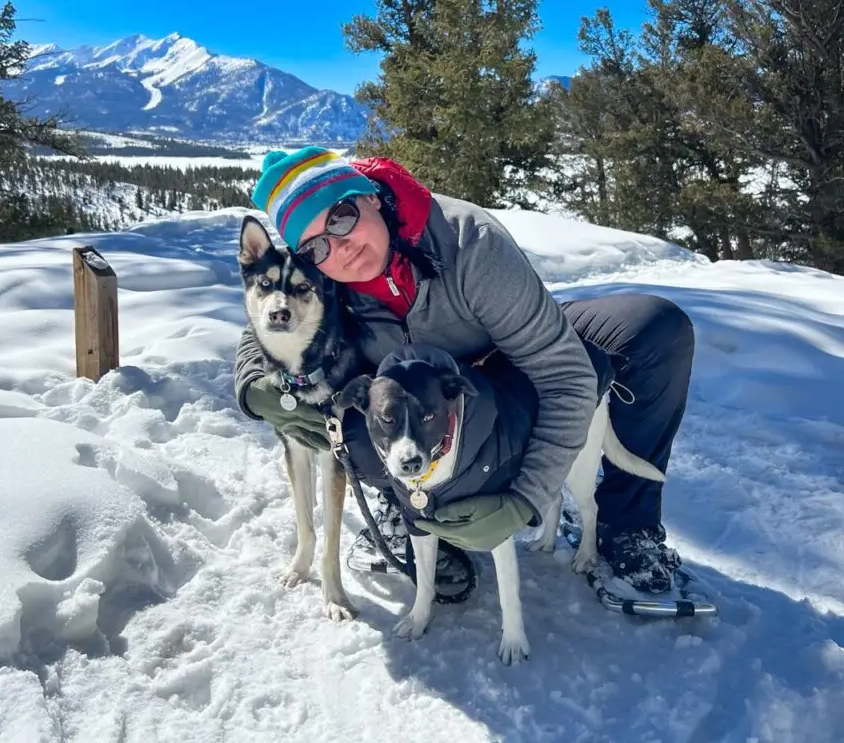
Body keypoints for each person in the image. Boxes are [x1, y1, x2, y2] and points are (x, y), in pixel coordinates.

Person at [233, 146, 693, 596]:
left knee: (653, 330)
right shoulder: (324, 269)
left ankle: (628, 524)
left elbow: (565, 376)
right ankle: (407, 506)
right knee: (350, 426)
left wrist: (526, 497)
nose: (341, 248)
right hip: (415, 390)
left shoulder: (466, 240)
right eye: (316, 244)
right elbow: (270, 316)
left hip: (503, 347)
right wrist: (253, 384)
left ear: (370, 196)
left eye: (340, 217)